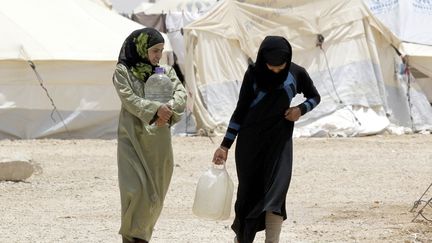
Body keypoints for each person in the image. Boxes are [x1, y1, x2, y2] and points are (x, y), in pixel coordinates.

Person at [212, 36, 321, 243]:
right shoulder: (253, 74)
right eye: (272, 67)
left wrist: (300, 109)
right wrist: (225, 145)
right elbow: (240, 111)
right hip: (250, 145)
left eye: (281, 67)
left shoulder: (296, 73)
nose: (276, 71)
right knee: (248, 197)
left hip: (280, 144)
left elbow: (315, 97)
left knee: (276, 195)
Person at [112, 27, 187, 243]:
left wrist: (168, 109)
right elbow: (129, 99)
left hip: (159, 141)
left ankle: (142, 236)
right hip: (132, 138)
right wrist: (155, 110)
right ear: (142, 48)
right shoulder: (123, 71)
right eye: (154, 50)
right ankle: (131, 237)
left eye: (161, 51)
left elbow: (180, 94)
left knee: (155, 193)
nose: (157, 56)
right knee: (133, 190)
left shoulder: (166, 72)